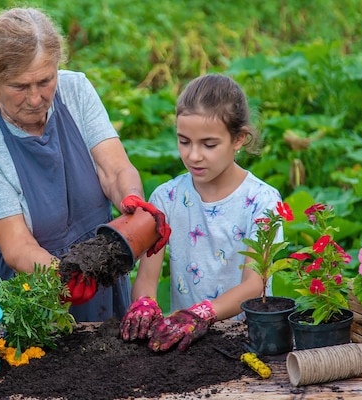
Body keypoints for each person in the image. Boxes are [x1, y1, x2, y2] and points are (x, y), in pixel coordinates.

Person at [0, 7, 168, 322]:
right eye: (19, 87)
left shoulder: (75, 91)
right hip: (24, 285)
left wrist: (132, 202)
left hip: (94, 267)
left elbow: (115, 170)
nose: (36, 97)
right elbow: (17, 246)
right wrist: (64, 275)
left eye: (45, 80)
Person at [120, 74, 283, 351]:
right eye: (184, 141)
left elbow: (255, 285)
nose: (194, 155)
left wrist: (204, 312)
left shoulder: (262, 201)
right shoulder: (167, 198)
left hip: (246, 341)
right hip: (185, 342)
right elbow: (147, 278)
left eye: (209, 145)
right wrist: (144, 303)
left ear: (239, 139)